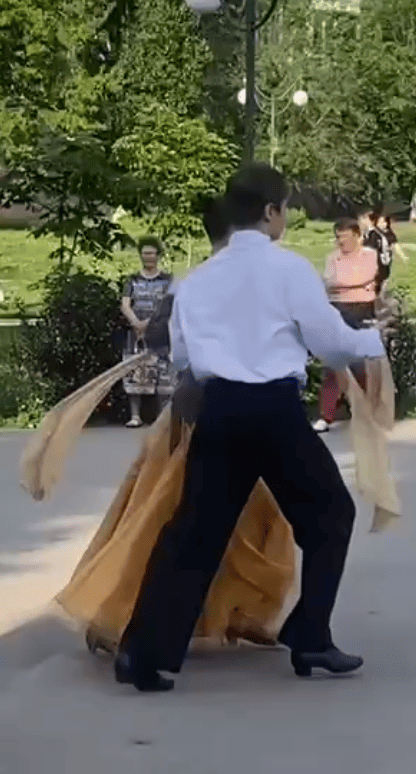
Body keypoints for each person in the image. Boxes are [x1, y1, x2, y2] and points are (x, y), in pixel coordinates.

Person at [112, 164, 389, 693]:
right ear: (269, 212)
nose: (285, 217)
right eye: (284, 208)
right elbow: (331, 346)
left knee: (193, 532)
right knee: (331, 515)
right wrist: (374, 340)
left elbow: (184, 357)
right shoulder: (289, 270)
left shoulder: (198, 280)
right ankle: (310, 634)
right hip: (273, 409)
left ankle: (142, 654)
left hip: (219, 408)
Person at [50, 196, 296, 655]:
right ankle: (117, 615)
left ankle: (241, 610)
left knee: (252, 514)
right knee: (168, 517)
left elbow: (161, 335)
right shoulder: (209, 282)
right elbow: (162, 336)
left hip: (233, 412)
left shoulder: (209, 280)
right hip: (204, 415)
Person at [314, 218, 381, 433]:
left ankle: (368, 413)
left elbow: (365, 277)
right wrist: (346, 283)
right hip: (337, 311)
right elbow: (328, 281)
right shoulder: (333, 258)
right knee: (333, 365)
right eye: (337, 237)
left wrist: (342, 283)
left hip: (361, 311)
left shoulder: (369, 255)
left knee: (360, 365)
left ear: (357, 236)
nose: (340, 242)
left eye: (344, 237)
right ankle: (326, 416)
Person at [119, 237, 174, 428]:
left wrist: (149, 323)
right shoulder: (132, 280)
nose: (148, 257)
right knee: (135, 372)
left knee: (162, 373)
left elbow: (168, 305)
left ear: (158, 255)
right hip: (136, 335)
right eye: (144, 253)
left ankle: (161, 417)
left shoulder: (167, 280)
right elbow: (125, 304)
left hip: (160, 334)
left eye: (151, 253)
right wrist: (135, 323)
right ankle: (135, 416)